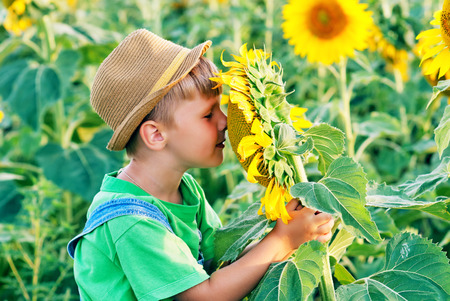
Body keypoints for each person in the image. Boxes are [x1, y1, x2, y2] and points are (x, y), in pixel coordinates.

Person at [68, 29, 334, 301]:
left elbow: (220, 257)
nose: (224, 122)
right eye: (208, 114)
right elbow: (204, 297)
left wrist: (291, 235)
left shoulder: (185, 189)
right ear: (156, 135)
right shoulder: (131, 222)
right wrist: (281, 240)